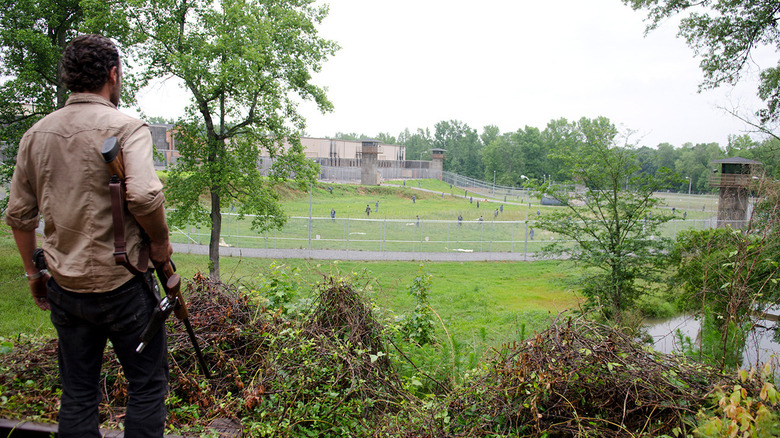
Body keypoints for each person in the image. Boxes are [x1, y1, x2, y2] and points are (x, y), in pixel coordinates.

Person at [4, 35, 171, 438]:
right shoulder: (128, 128)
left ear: (69, 79)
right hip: (125, 285)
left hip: (65, 286)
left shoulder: (35, 135)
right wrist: (161, 244)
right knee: (147, 387)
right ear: (113, 75)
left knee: (78, 393)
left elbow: (19, 216)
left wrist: (33, 275)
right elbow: (146, 196)